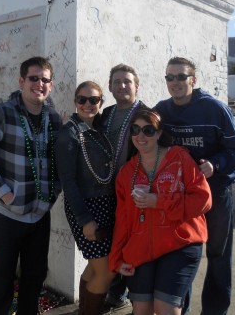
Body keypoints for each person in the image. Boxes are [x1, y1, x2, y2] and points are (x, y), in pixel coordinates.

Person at [154, 57, 235, 315]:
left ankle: (215, 311)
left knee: (217, 255)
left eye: (181, 77)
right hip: (182, 198)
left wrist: (215, 165)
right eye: (169, 77)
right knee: (181, 255)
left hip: (215, 194)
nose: (175, 82)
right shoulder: (161, 110)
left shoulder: (215, 109)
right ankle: (179, 309)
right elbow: (145, 138)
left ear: (193, 80)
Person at [0, 56, 63, 315]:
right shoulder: (2, 113)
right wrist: (5, 194)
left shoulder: (54, 119)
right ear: (22, 81)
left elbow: (58, 162)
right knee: (0, 284)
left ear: (51, 85)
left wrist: (52, 194)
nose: (39, 84)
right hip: (5, 217)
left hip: (39, 218)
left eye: (45, 79)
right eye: (34, 78)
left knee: (34, 280)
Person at [109, 109, 212, 315]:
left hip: (179, 243)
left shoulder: (179, 158)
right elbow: (123, 219)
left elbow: (203, 200)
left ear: (158, 133)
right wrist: (116, 259)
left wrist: (159, 201)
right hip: (141, 247)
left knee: (166, 309)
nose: (141, 136)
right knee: (142, 310)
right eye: (135, 129)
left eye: (148, 130)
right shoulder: (126, 173)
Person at [55, 81, 117, 314]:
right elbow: (68, 182)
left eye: (94, 100)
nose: (88, 104)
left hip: (106, 204)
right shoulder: (69, 134)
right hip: (87, 208)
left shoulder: (98, 130)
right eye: (82, 99)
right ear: (75, 101)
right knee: (106, 270)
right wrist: (85, 219)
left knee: (95, 266)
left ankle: (84, 310)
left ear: (101, 102)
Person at [101, 64, 148, 311]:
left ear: (136, 86)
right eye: (116, 82)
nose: (121, 86)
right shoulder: (105, 115)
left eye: (127, 82)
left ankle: (136, 296)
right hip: (107, 191)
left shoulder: (147, 115)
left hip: (134, 192)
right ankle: (115, 294)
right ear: (110, 87)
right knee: (114, 242)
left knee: (134, 243)